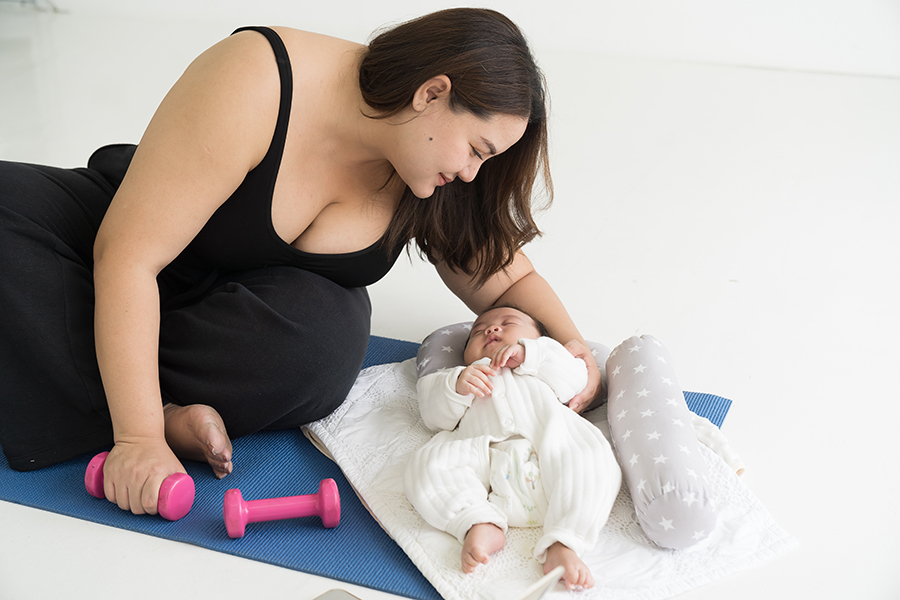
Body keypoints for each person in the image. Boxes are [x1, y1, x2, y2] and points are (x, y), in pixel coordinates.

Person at [0, 8, 602, 519]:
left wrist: (576, 349)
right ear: (432, 93)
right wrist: (139, 437)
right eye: (476, 150)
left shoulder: (433, 174)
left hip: (225, 319)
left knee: (322, 347)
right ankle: (150, 408)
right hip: (120, 248)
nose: (473, 173)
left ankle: (90, 378)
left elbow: (508, 275)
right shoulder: (256, 78)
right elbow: (127, 256)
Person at [404, 306, 622, 590]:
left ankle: (564, 541)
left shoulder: (546, 359)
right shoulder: (461, 374)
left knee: (591, 458)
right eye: (478, 331)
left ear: (538, 338)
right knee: (429, 464)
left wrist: (531, 354)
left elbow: (575, 380)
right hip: (484, 449)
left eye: (508, 323)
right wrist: (456, 385)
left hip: (550, 441)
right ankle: (479, 521)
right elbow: (434, 417)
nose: (492, 329)